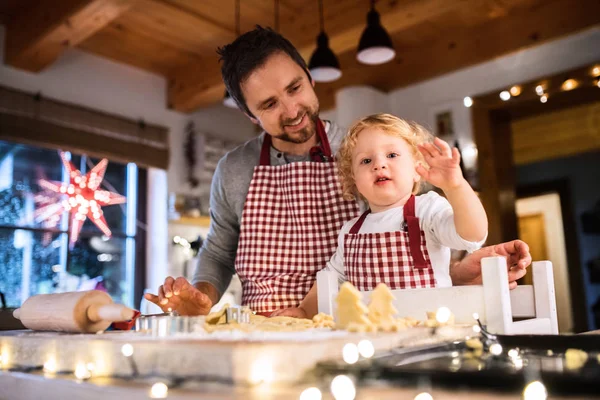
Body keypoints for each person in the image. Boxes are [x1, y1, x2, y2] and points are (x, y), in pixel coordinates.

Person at [144, 26, 531, 316]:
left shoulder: (363, 151)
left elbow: (410, 232)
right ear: (249, 114)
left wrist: (457, 272)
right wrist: (202, 296)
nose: (292, 110)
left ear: (310, 78)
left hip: (353, 324)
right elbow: (218, 250)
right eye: (269, 104)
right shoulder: (234, 169)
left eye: (295, 88)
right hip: (267, 327)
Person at [272, 113, 488, 318]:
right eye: (366, 161)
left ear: (417, 168)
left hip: (428, 333)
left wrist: (456, 187)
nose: (379, 164)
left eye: (392, 155)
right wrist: (304, 311)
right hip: (370, 336)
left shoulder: (427, 209)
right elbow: (330, 280)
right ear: (354, 180)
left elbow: (472, 234)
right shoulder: (351, 231)